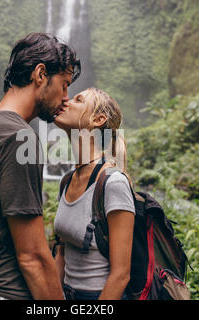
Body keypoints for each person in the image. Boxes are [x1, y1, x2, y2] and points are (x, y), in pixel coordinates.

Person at [0, 33, 81, 300]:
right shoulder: (18, 136)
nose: (66, 98)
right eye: (64, 84)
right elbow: (33, 257)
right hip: (4, 292)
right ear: (40, 74)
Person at [53, 88, 136, 300]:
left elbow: (120, 275)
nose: (66, 101)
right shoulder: (67, 181)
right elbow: (61, 253)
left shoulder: (113, 183)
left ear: (98, 119)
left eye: (77, 100)